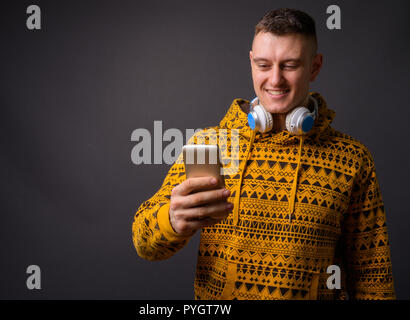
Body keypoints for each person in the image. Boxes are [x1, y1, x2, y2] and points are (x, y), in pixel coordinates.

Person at [132, 8, 396, 300]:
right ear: (251, 63)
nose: (275, 80)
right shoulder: (209, 146)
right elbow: (144, 244)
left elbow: (372, 275)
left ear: (315, 67)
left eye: (290, 65)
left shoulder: (352, 158)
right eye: (263, 65)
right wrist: (171, 220)